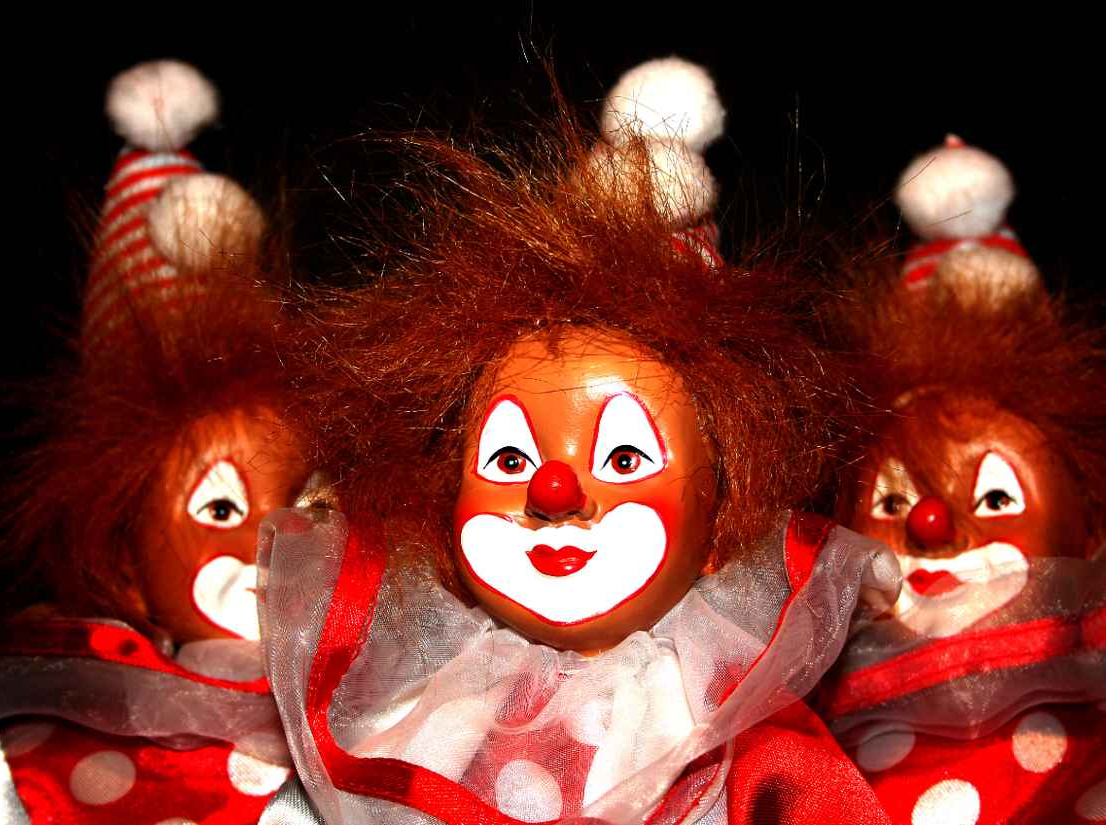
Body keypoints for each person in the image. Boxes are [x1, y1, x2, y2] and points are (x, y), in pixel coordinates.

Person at [256, 58, 900, 824]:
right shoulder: (422, 714)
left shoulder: (734, 729)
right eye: (509, 458)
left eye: (624, 458)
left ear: (720, 519)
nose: (553, 490)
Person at [816, 137, 1106, 824]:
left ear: (1088, 531)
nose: (931, 522)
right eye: (894, 499)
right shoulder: (806, 750)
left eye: (995, 498)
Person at [0, 61, 307, 824]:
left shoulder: (378, 692)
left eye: (313, 503)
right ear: (124, 562)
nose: (275, 533)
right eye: (221, 507)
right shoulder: (54, 737)